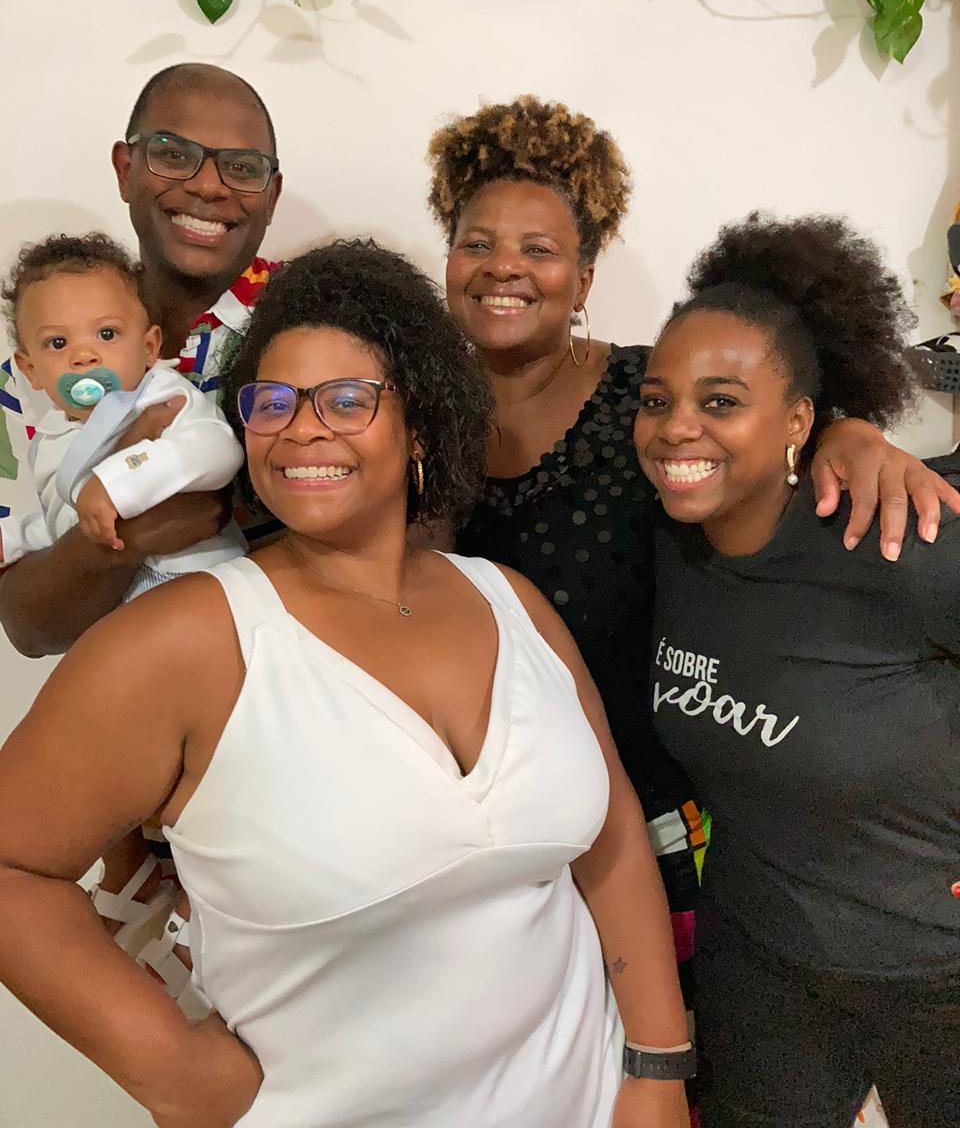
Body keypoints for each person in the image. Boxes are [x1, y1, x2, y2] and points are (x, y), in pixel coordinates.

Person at [0, 241, 693, 1128]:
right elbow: (14, 868)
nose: (301, 428)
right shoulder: (183, 643)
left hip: (590, 1101)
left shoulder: (510, 601)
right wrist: (180, 1075)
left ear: (420, 426)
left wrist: (656, 1068)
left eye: (346, 399)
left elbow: (613, 837)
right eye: (273, 401)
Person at [425, 96, 960, 1079]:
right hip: (483, 840)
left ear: (585, 277)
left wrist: (850, 430)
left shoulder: (648, 398)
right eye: (478, 242)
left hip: (658, 836)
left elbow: (759, 427)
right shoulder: (413, 418)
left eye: (539, 247)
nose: (505, 266)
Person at [633, 213, 960, 1128]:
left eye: (721, 401)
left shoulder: (890, 534)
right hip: (763, 967)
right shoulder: (668, 543)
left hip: (936, 974)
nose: (678, 427)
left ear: (800, 421)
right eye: (656, 400)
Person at [0, 62, 283, 658]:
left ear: (272, 195)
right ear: (125, 169)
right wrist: (129, 532)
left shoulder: (317, 322)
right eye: (173, 154)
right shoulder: (33, 372)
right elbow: (29, 626)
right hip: (125, 675)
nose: (209, 187)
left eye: (242, 167)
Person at [0, 232, 245, 587]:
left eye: (107, 334)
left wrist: (117, 479)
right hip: (118, 593)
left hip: (195, 574)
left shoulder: (160, 394)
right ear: (30, 369)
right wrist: (18, 537)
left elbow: (217, 449)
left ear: (149, 348)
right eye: (58, 342)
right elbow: (70, 523)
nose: (84, 355)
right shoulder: (47, 439)